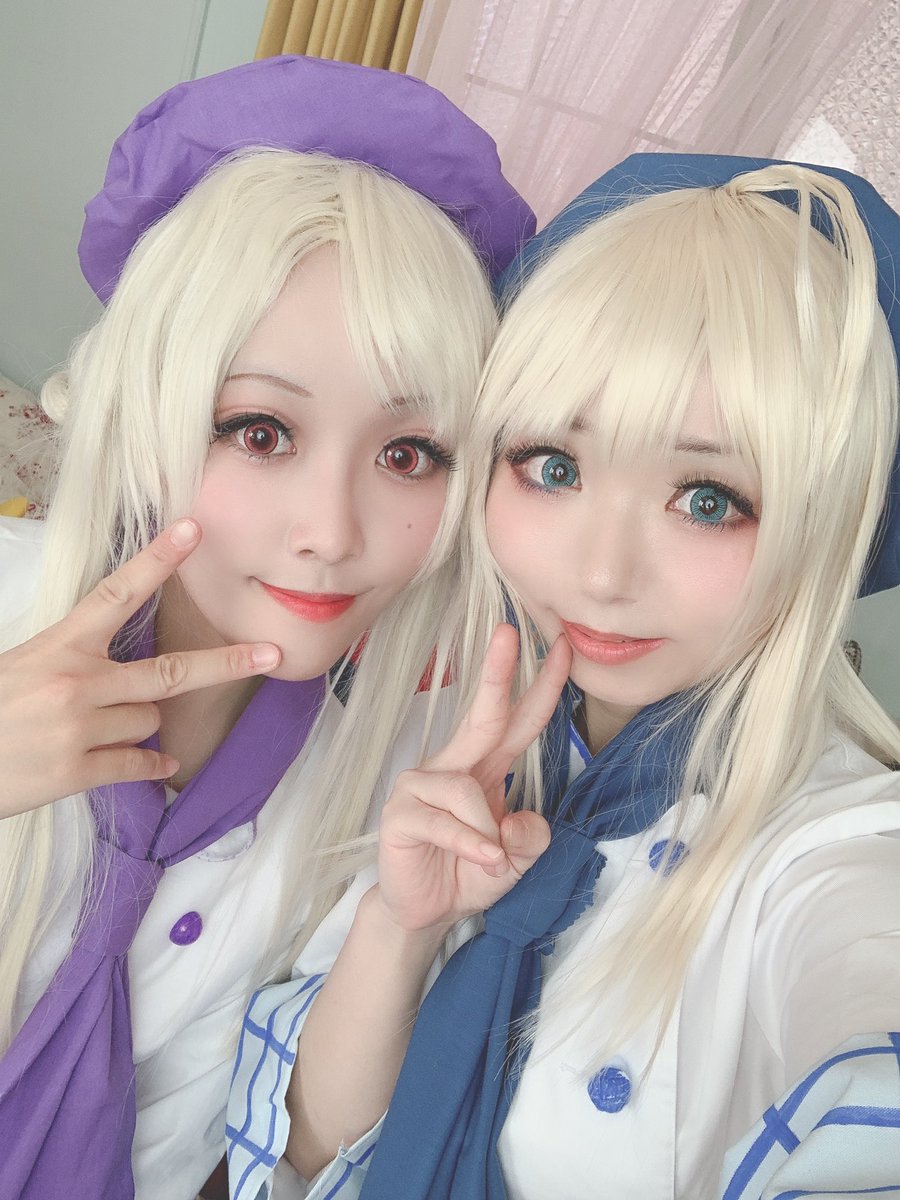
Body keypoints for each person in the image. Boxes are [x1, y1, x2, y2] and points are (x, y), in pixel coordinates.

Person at [228, 154, 900, 1199]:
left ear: (828, 526)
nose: (599, 574)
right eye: (553, 466)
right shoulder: (444, 745)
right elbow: (303, 1161)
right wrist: (399, 928)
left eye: (709, 499)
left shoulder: (834, 849)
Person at [0, 54, 536, 1200]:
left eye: (409, 454)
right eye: (259, 431)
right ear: (147, 412)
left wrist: (397, 929)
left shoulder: (389, 777)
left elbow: (294, 1154)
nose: (331, 532)